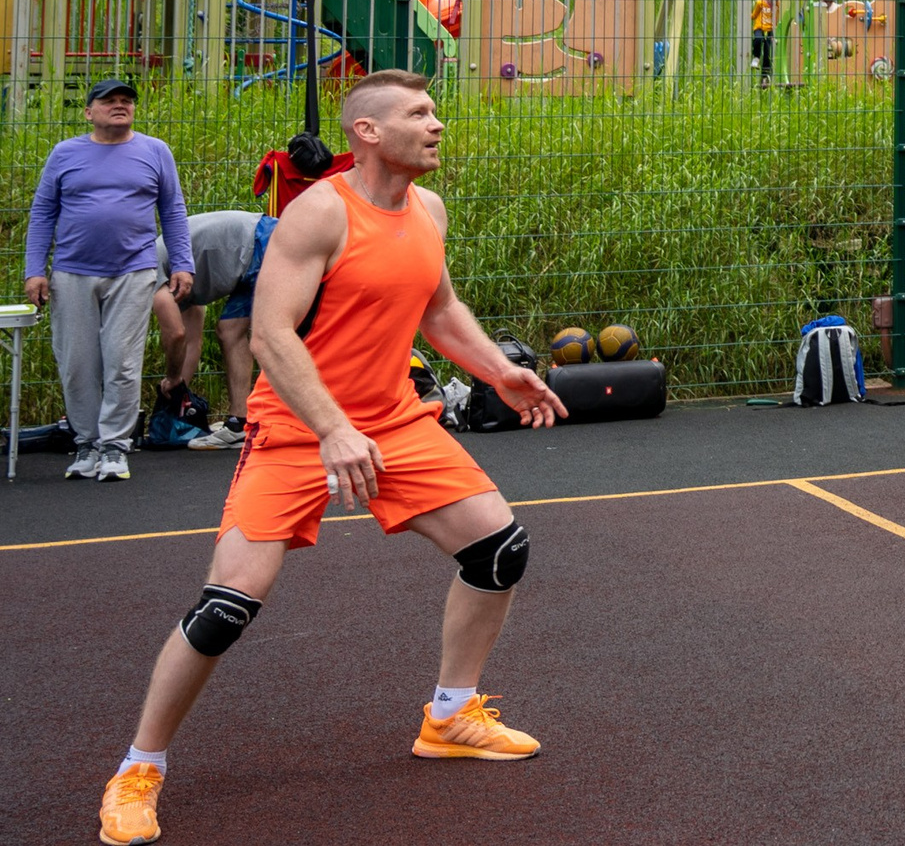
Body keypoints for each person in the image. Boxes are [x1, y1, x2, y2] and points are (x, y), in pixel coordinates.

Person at [95, 70, 568, 846]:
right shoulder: (316, 212)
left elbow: (440, 307)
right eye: (419, 112)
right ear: (368, 132)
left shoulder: (428, 209)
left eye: (436, 110)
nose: (437, 123)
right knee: (225, 610)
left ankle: (450, 714)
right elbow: (273, 334)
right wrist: (330, 428)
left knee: (498, 549)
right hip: (293, 430)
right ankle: (139, 767)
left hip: (394, 420)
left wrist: (497, 370)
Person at [23, 79, 194, 484]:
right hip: (71, 273)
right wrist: (35, 270)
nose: (120, 106)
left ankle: (116, 447)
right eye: (109, 101)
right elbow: (43, 212)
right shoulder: (65, 154)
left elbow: (172, 210)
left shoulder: (155, 151)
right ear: (88, 112)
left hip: (133, 272)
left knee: (122, 361)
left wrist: (182, 264)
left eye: (126, 101)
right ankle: (86, 445)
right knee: (77, 363)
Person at [146, 212, 273, 452]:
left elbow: (175, 335)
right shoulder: (177, 280)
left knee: (273, 333)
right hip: (253, 248)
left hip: (261, 242)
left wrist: (172, 378)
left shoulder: (147, 270)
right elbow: (192, 341)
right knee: (229, 331)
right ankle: (239, 423)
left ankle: (267, 420)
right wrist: (179, 390)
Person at [750, 0, 779, 83]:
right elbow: (754, 15)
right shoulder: (760, 3)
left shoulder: (777, 5)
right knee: (758, 39)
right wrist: (749, 15)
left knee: (768, 53)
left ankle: (765, 77)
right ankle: (756, 58)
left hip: (770, 29)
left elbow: (778, 18)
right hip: (759, 27)